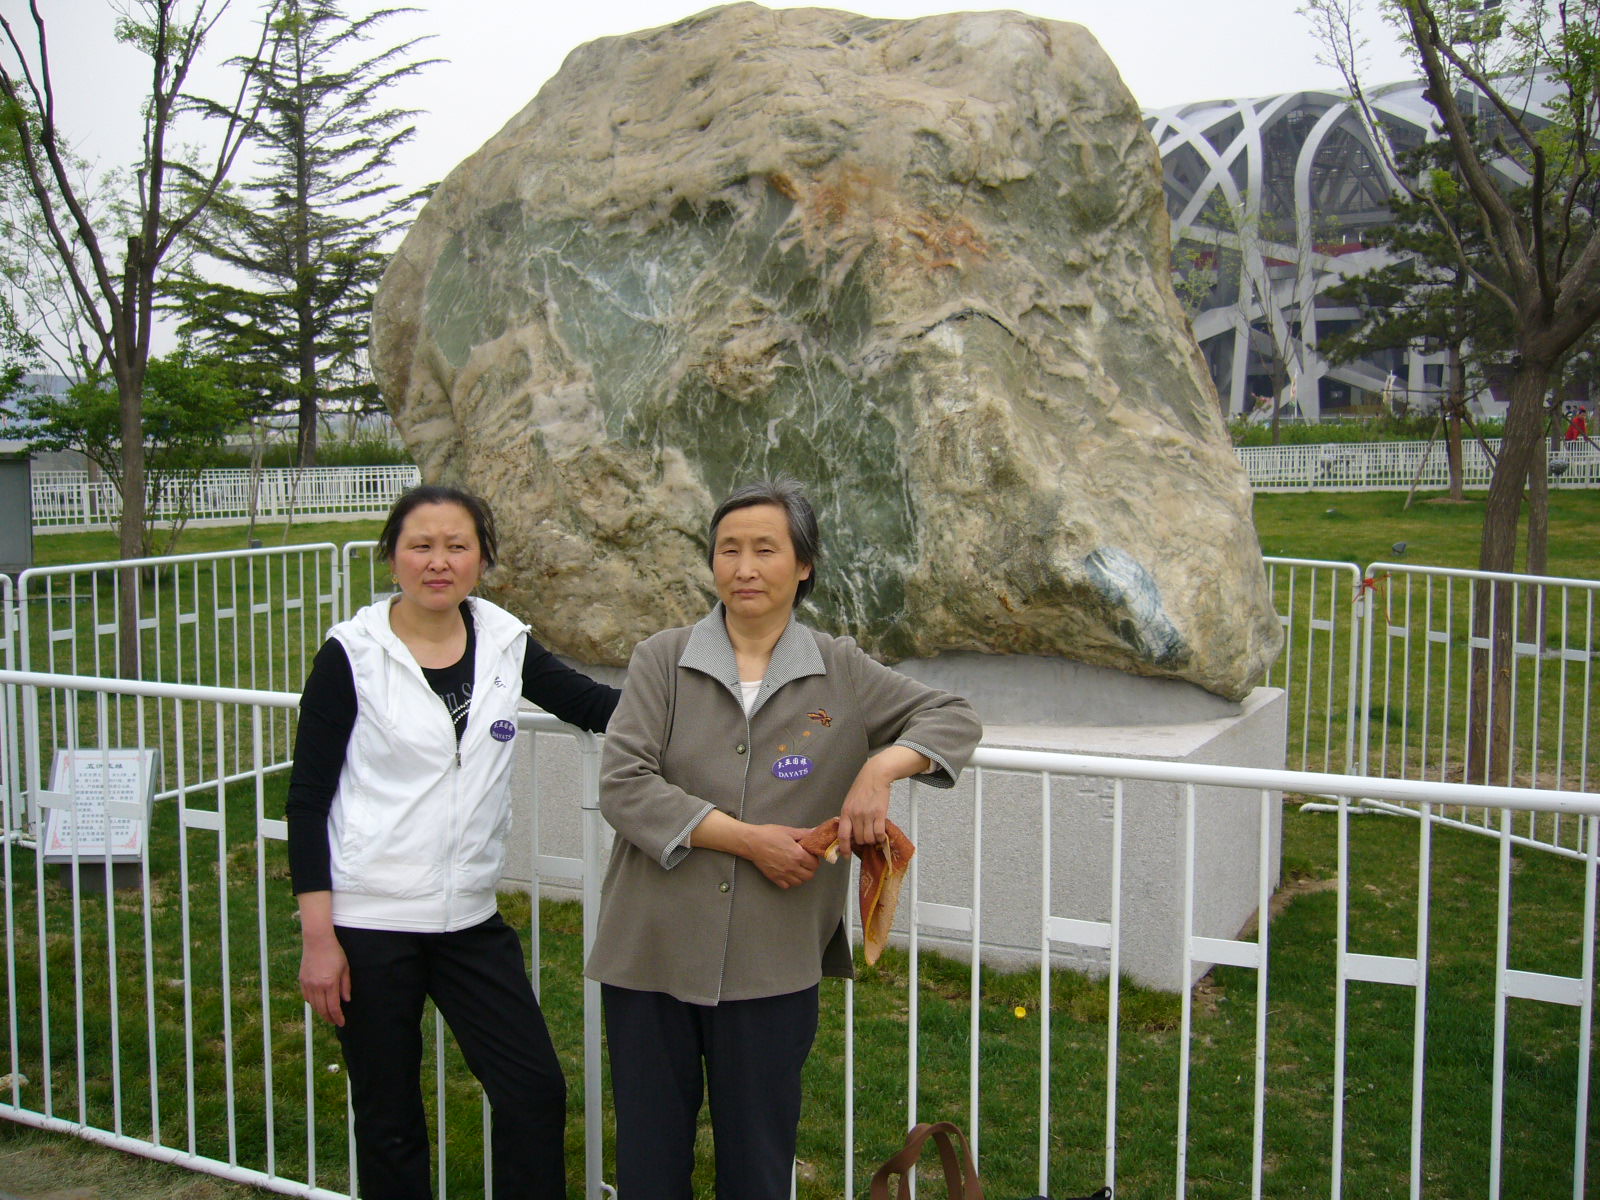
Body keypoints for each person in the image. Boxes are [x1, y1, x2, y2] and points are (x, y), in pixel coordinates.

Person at [584, 477, 981, 1199]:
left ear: (803, 565)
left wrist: (880, 768)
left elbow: (953, 716)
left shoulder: (839, 669)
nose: (744, 568)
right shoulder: (662, 659)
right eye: (728, 549)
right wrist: (747, 841)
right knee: (649, 1161)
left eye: (765, 550)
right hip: (652, 952)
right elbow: (624, 783)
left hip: (773, 963)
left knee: (758, 1164)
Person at [286, 484, 620, 1199]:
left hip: (469, 920)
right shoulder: (353, 654)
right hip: (370, 923)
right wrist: (319, 939)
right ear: (393, 556)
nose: (438, 562)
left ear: (482, 559)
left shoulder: (504, 640)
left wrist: (708, 707)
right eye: (421, 545)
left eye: (457, 546)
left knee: (534, 1092)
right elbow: (307, 801)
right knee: (389, 1118)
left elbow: (593, 705)